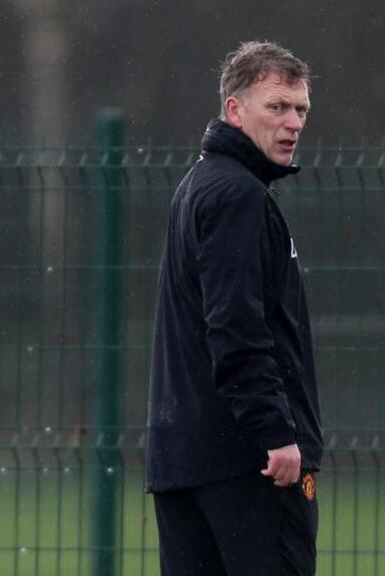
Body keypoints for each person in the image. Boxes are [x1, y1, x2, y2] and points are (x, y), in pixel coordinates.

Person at [146, 41, 323, 575]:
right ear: (234, 110)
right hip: (251, 466)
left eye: (301, 109)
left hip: (187, 460)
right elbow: (236, 328)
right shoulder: (237, 196)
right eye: (277, 106)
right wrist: (276, 431)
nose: (293, 122)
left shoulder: (199, 186)